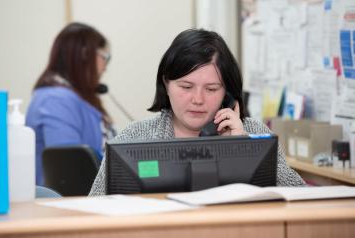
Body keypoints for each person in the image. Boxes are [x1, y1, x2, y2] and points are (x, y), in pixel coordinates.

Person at [89, 29, 305, 196]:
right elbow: (93, 207)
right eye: (186, 87)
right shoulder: (135, 137)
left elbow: (301, 196)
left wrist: (244, 147)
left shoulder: (252, 132)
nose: (198, 99)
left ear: (227, 93)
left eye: (211, 89)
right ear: (166, 84)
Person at [26, 22, 115, 186]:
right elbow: (70, 171)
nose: (105, 67)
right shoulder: (55, 101)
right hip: (66, 204)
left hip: (88, 198)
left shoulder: (76, 97)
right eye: (104, 57)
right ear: (84, 55)